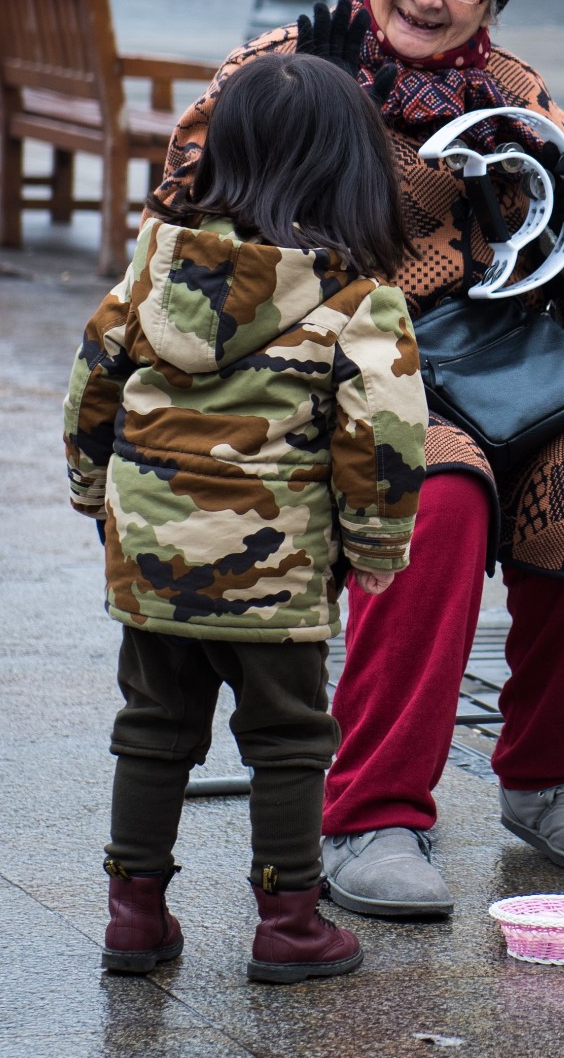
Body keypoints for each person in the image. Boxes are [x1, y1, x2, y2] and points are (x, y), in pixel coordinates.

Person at [148, 0, 564, 921]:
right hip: (313, 379)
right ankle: (373, 808)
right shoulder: (279, 66)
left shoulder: (512, 94)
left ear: (491, 1)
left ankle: (551, 774)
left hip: (490, 374)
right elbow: (183, 230)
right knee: (440, 489)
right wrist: (303, 119)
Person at [64, 54, 428, 984]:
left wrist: (88, 486)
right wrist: (381, 545)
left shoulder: (158, 262)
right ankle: (289, 921)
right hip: (272, 575)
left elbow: (92, 376)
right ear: (353, 168)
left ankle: (133, 914)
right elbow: (383, 437)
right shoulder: (357, 299)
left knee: (153, 725)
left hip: (149, 558)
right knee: (289, 739)